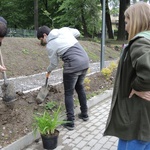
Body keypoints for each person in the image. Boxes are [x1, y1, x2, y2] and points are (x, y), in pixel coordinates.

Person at [104, 2, 150, 150]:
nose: (126, 26)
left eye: (127, 21)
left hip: (135, 121)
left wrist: (137, 87)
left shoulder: (140, 42)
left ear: (136, 20)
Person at [37, 26, 89, 130]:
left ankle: (70, 122)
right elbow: (77, 32)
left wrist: (48, 70)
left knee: (68, 93)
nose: (43, 42)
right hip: (85, 61)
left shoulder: (50, 45)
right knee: (80, 87)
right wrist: (69, 36)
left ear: (44, 35)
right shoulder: (64, 30)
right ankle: (85, 114)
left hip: (73, 65)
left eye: (42, 39)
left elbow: (54, 63)